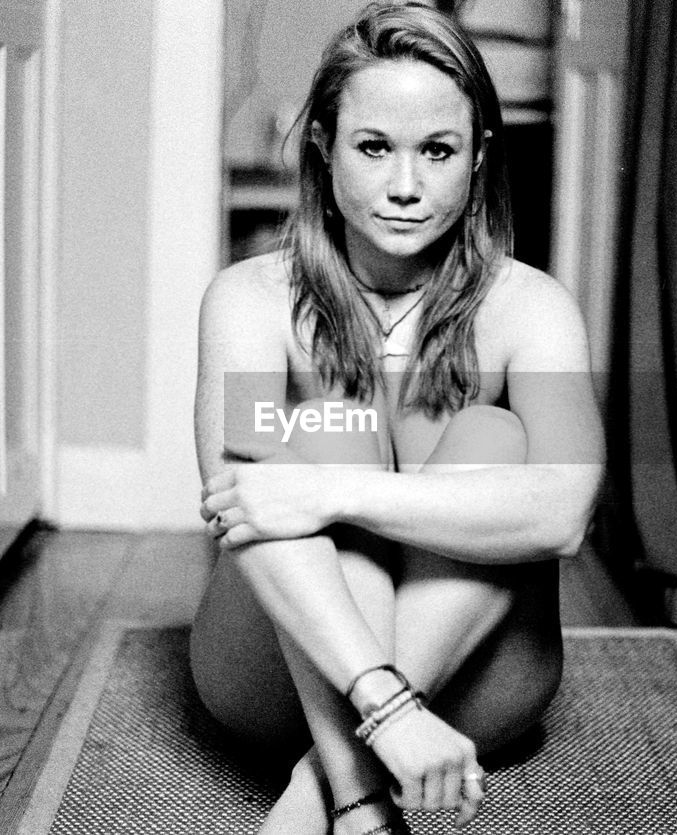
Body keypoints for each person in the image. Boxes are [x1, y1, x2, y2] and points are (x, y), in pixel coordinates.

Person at [191, 3, 604, 833]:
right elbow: (241, 496)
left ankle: (327, 787)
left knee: (496, 440)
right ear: (323, 145)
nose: (406, 186)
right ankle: (372, 760)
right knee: (303, 441)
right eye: (374, 147)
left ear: (479, 157)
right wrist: (388, 706)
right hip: (277, 677)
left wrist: (341, 492)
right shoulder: (250, 297)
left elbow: (562, 514)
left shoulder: (531, 306)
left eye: (438, 151)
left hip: (482, 687)